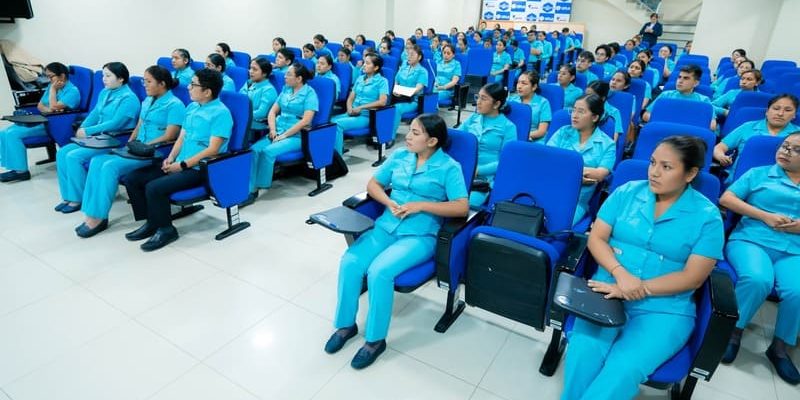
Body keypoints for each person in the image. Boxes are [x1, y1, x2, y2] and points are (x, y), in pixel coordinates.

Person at [561, 135, 723, 400]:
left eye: (667, 167)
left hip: (665, 307)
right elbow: (596, 238)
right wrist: (620, 274)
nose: (654, 172)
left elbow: (692, 277)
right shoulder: (627, 192)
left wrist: (639, 288)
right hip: (606, 290)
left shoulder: (707, 217)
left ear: (691, 173)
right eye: (652, 163)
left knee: (624, 368)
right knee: (584, 351)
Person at [324, 113, 468, 369]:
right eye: (410, 130)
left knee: (380, 272)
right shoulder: (401, 156)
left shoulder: (449, 167)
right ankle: (346, 325)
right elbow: (373, 184)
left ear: (432, 140)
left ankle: (375, 340)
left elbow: (461, 208)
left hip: (420, 234)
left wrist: (421, 205)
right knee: (350, 262)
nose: (408, 136)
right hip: (387, 225)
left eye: (415, 133)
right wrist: (388, 202)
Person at [719, 133, 800, 385]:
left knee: (797, 290)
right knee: (757, 279)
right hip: (752, 239)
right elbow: (727, 198)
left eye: (795, 150)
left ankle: (780, 347)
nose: (785, 151)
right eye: (784, 146)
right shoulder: (760, 173)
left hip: (794, 248)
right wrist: (764, 215)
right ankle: (733, 332)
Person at [123, 69, 232, 251]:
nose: (188, 87)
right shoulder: (191, 107)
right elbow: (181, 137)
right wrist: (171, 158)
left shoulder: (221, 113)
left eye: (193, 84)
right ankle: (152, 221)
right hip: (179, 162)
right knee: (133, 179)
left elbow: (213, 149)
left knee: (154, 187)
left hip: (200, 169)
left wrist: (182, 165)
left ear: (207, 91)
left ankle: (166, 229)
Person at [75, 65, 185, 238]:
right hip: (137, 148)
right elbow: (139, 126)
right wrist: (131, 142)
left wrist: (145, 145)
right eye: (144, 81)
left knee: (110, 166)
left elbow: (170, 135)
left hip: (155, 151)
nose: (144, 85)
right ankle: (91, 213)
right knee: (98, 161)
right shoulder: (148, 100)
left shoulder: (174, 105)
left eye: (148, 81)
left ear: (162, 84)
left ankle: (99, 217)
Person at [53, 62, 140, 214]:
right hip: (98, 138)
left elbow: (116, 123)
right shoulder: (105, 92)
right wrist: (83, 128)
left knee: (74, 156)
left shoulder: (129, 99)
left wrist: (89, 131)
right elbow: (94, 113)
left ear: (121, 79)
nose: (104, 79)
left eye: (108, 76)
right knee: (62, 153)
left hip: (115, 140)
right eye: (103, 75)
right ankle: (68, 196)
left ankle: (77, 198)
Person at [247, 63, 318, 202]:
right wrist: (273, 129)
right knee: (254, 150)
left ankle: (256, 188)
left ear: (299, 79)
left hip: (296, 135)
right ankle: (249, 187)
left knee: (267, 151)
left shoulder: (310, 93)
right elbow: (273, 111)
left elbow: (306, 121)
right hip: (277, 131)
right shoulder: (286, 89)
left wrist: (285, 136)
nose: (284, 76)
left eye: (289, 74)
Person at [0, 62, 80, 182]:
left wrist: (53, 90)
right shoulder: (50, 86)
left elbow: (53, 106)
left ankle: (22, 172)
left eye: (51, 76)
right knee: (4, 131)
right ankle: (14, 168)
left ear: (62, 76)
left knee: (13, 134)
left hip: (55, 125)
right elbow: (40, 106)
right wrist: (50, 109)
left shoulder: (72, 92)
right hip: (44, 120)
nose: (49, 79)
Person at [547, 94, 615, 225]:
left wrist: (564, 170)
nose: (574, 115)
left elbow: (600, 174)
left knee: (555, 226)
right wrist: (577, 176)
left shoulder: (608, 144)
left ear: (595, 117)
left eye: (581, 111)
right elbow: (549, 161)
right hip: (550, 189)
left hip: (576, 201)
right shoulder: (562, 132)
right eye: (573, 110)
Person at [713, 94, 799, 182]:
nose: (780, 114)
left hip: (783, 184)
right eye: (776, 108)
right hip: (741, 179)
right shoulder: (747, 127)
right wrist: (721, 156)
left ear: (794, 115)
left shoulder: (797, 135)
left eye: (787, 110)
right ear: (767, 111)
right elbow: (719, 148)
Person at [458, 83, 516, 208]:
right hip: (461, 170)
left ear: (496, 104)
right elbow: (458, 140)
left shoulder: (508, 127)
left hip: (484, 178)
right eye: (477, 97)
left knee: (466, 204)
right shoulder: (473, 118)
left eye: (483, 99)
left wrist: (479, 170)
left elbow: (506, 161)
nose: (478, 102)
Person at [331, 53, 389, 155]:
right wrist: (349, 108)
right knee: (329, 121)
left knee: (338, 124)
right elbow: (351, 97)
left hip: (366, 116)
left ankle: (337, 158)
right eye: (364, 63)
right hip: (352, 112)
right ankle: (333, 151)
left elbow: (382, 101)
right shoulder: (360, 78)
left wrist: (361, 107)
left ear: (376, 67)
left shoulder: (382, 81)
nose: (364, 65)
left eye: (367, 63)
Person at [642, 65, 715, 131]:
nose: (680, 81)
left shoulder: (704, 100)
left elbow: (712, 125)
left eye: (686, 78)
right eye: (679, 77)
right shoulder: (666, 95)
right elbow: (646, 115)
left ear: (696, 83)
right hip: (664, 131)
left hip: (689, 137)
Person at [391, 44, 428, 136]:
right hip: (398, 97)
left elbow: (417, 89)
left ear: (419, 57)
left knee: (397, 108)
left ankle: (390, 137)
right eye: (408, 54)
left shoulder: (422, 71)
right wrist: (395, 90)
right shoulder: (403, 68)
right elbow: (396, 80)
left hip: (413, 101)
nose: (409, 56)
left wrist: (401, 91)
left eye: (412, 55)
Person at [508, 70, 552, 142]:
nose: (519, 86)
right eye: (518, 82)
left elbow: (542, 131)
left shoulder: (543, 103)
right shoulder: (512, 100)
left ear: (534, 87)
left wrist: (523, 136)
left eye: (524, 83)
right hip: (511, 136)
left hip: (533, 138)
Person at [239, 57, 277, 131]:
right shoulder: (249, 83)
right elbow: (239, 100)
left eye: (255, 69)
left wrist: (242, 114)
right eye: (250, 68)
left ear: (264, 73)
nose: (250, 71)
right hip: (244, 118)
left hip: (256, 124)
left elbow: (261, 113)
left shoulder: (269, 90)